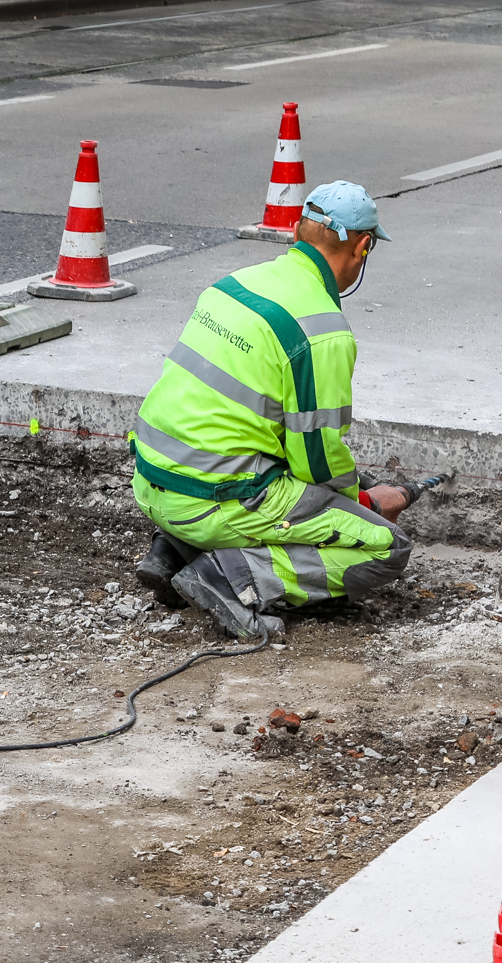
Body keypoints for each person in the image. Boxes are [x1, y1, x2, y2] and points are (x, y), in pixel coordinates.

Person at [129, 181, 413, 639]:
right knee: (385, 548)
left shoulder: (234, 284)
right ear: (363, 246)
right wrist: (363, 504)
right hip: (213, 501)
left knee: (260, 460)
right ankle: (229, 577)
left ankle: (173, 551)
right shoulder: (322, 331)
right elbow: (315, 460)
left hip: (152, 485)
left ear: (297, 230)